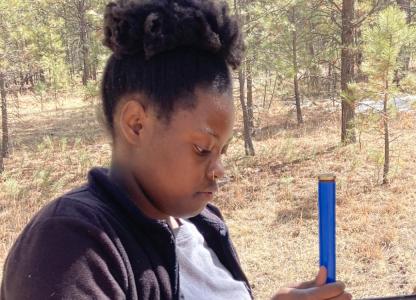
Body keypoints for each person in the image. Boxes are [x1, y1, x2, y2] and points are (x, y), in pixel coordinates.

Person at [1, 0, 352, 299]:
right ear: (136, 124)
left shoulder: (204, 225)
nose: (219, 170)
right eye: (202, 149)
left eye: (222, 152)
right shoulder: (71, 243)